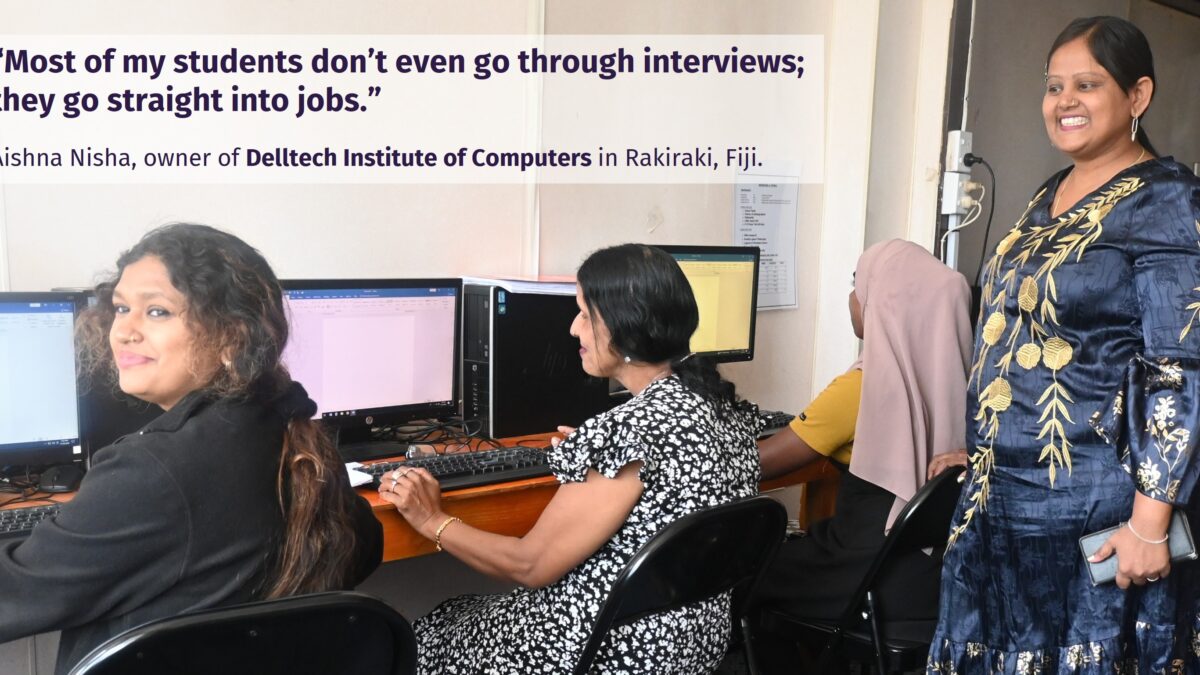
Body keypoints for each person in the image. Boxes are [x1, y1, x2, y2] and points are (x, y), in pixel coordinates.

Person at [928, 16, 1200, 673]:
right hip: (1004, 500)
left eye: (1087, 84)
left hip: (1101, 510)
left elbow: (1180, 366)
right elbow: (1025, 328)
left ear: (1137, 96)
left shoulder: (1168, 202)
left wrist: (1149, 522)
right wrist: (990, 434)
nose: (1064, 101)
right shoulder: (1047, 196)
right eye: (1053, 87)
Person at [0, 224, 383, 674]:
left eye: (157, 311)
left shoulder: (153, 471)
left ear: (230, 336)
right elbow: (366, 545)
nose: (124, 330)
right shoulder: (293, 430)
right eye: (121, 308)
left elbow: (15, 598)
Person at [378, 243, 761, 673]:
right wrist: (600, 452)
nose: (574, 330)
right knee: (459, 610)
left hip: (607, 650)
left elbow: (530, 566)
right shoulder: (724, 411)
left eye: (584, 313)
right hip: (695, 642)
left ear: (621, 326)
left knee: (429, 632)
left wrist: (432, 520)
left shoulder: (628, 431)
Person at [751, 239, 971, 661]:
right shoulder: (964, 377)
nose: (853, 298)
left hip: (865, 576)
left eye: (858, 284)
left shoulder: (863, 386)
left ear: (885, 302)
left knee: (741, 572)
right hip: (929, 579)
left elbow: (765, 462)